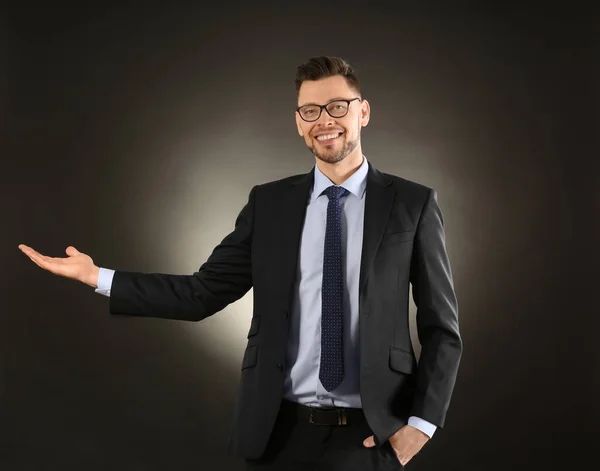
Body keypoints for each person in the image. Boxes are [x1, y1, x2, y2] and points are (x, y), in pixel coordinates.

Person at [18, 56, 462, 470]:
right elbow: (201, 293)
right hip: (274, 433)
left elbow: (442, 328)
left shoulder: (411, 204)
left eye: (337, 106)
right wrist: (98, 276)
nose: (324, 120)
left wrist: (420, 428)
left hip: (370, 437)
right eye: (310, 110)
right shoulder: (269, 204)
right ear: (297, 122)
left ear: (362, 112)